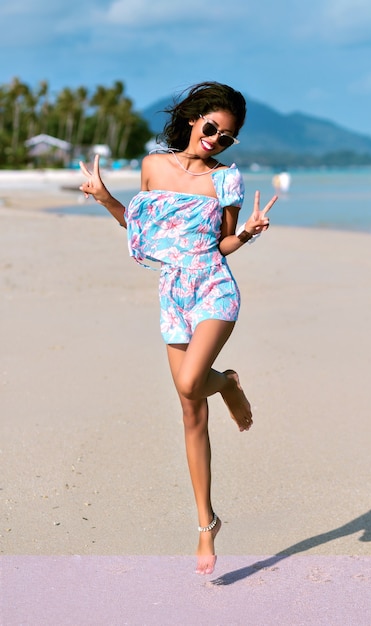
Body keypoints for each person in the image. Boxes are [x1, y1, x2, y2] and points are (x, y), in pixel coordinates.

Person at [79, 81, 277, 575]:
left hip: (214, 289)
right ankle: (206, 524)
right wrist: (105, 197)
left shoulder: (226, 179)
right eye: (212, 128)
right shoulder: (153, 166)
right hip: (173, 295)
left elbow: (223, 244)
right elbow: (143, 229)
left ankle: (228, 383)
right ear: (193, 120)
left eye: (227, 137)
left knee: (192, 382)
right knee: (191, 413)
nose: (216, 139)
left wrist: (247, 235)